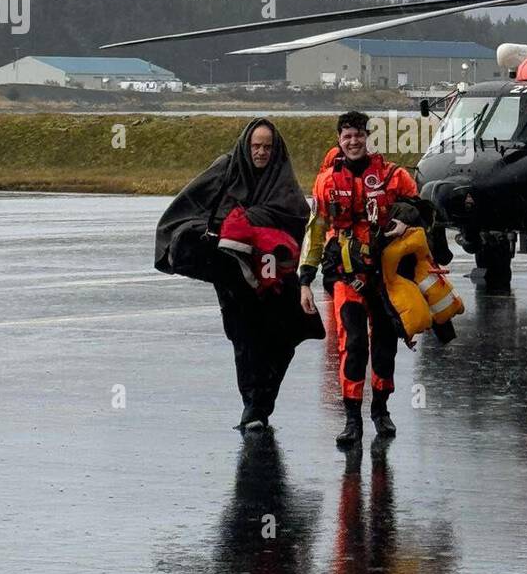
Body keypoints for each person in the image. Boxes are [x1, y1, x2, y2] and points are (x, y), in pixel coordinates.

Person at [155, 117, 321, 431]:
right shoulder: (225, 171)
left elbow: (297, 217)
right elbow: (190, 208)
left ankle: (263, 401)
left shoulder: (282, 180)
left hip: (275, 275)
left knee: (281, 339)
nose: (261, 153)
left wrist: (254, 223)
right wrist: (223, 232)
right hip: (233, 274)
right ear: (246, 146)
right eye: (256, 146)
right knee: (244, 338)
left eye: (267, 147)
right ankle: (253, 407)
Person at [299, 110, 418, 447]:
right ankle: (352, 418)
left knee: (384, 342)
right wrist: (305, 278)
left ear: (367, 138)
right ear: (339, 140)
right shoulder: (326, 182)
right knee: (352, 344)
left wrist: (406, 220)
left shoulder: (391, 175)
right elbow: (316, 229)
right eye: (347, 135)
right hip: (344, 275)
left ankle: (380, 410)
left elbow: (420, 208)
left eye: (359, 135)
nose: (353, 141)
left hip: (383, 273)